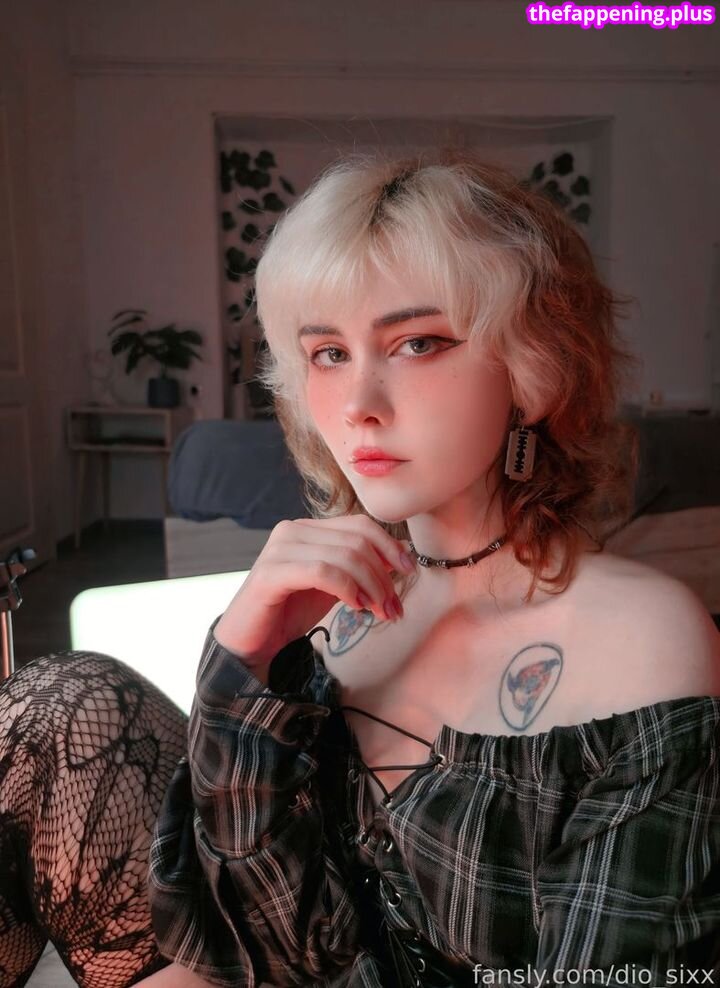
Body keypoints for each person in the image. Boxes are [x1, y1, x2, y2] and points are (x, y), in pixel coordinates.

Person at [1, 148, 719, 988]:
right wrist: (244, 660)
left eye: (417, 343)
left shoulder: (645, 639)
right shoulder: (334, 604)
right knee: (64, 700)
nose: (357, 405)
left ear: (532, 367)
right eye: (328, 353)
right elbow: (255, 926)